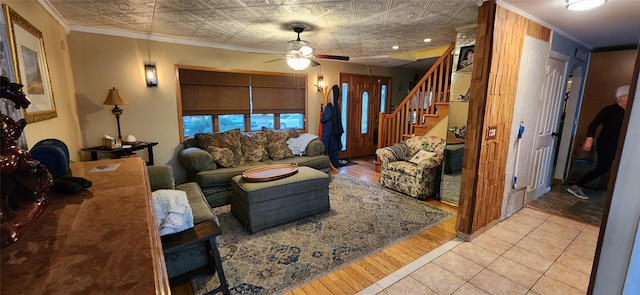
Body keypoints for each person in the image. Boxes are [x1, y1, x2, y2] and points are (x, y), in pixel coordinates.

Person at [567, 85, 629, 199]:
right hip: (605, 143)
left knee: (613, 168)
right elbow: (593, 125)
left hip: (618, 145)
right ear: (621, 97)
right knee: (602, 168)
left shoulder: (628, 113)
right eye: (628, 96)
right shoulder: (609, 110)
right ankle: (575, 186)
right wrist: (589, 139)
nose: (630, 98)